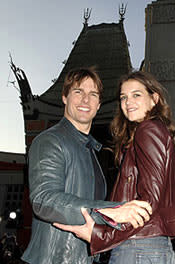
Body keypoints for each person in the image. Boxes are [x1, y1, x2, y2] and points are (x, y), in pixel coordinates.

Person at [55, 71, 175, 263]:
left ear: (154, 99)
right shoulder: (155, 130)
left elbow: (148, 204)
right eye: (123, 97)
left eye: (136, 95)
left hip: (138, 247)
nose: (128, 102)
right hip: (150, 246)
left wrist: (100, 235)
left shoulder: (147, 130)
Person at [22, 68, 152, 264]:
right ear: (64, 97)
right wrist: (112, 210)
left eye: (93, 95)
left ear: (99, 104)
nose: (85, 100)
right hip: (54, 258)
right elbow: (44, 200)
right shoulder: (49, 140)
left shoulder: (91, 150)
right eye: (78, 92)